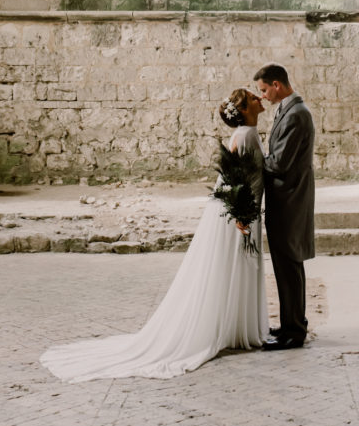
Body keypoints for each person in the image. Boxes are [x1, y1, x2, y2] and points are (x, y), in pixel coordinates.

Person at [40, 88, 268, 381]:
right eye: (253, 96)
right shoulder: (245, 136)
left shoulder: (247, 133)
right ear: (245, 109)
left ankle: (235, 328)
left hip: (245, 211)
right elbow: (231, 180)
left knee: (237, 267)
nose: (259, 97)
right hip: (239, 215)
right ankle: (229, 329)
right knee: (233, 266)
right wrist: (241, 215)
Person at [253, 62, 315, 350]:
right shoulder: (288, 110)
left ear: (277, 85)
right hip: (286, 198)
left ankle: (294, 331)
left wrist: (251, 159)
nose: (263, 96)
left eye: (264, 90)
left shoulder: (296, 114)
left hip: (290, 199)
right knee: (286, 265)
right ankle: (291, 323)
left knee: (289, 264)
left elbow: (279, 163)